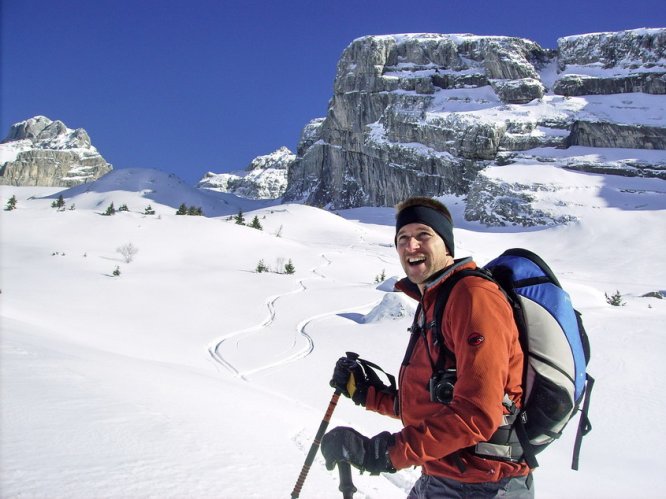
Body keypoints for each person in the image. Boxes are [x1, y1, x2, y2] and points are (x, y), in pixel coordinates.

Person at [320, 196, 533, 498]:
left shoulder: (473, 297)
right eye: (402, 238)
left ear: (446, 244)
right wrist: (367, 393)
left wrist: (383, 453)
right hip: (443, 475)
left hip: (483, 486)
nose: (411, 246)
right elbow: (431, 401)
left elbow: (477, 415)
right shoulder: (434, 300)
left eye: (423, 235)